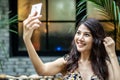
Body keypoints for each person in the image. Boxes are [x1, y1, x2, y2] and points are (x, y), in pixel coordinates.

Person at [23, 11, 120, 80]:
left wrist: (112, 54)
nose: (80, 38)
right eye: (78, 33)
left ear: (96, 39)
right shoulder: (67, 62)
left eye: (86, 35)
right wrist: (27, 39)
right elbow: (42, 70)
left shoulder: (104, 64)